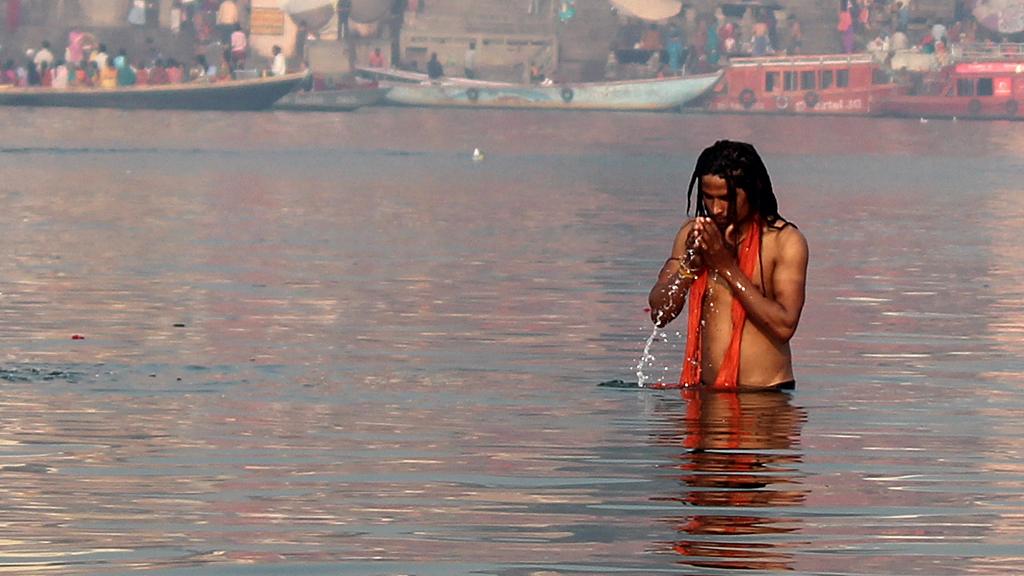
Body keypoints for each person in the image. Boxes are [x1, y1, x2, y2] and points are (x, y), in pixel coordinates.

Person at [648, 140, 808, 390]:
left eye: (726, 198)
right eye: (708, 197)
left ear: (753, 190)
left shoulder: (785, 241)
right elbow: (660, 314)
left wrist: (725, 266)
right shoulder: (692, 234)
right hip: (706, 394)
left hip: (765, 399)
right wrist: (690, 266)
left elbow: (784, 325)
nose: (716, 209)